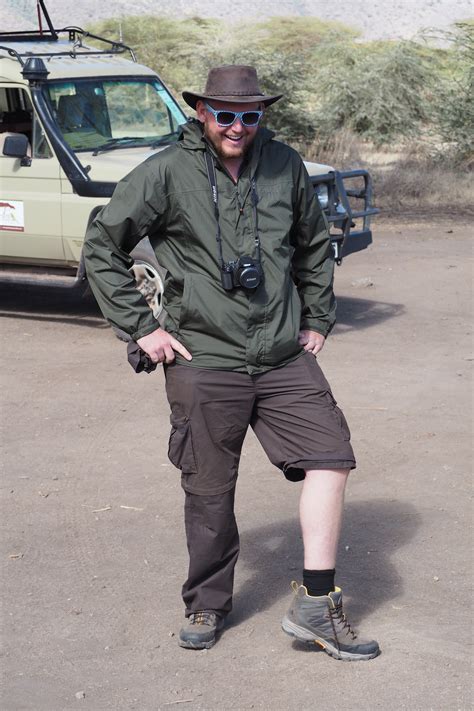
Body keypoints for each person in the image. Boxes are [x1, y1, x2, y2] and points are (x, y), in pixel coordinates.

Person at [84, 65, 380, 661]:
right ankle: (208, 602)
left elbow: (314, 242)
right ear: (201, 112)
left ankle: (316, 605)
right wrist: (143, 329)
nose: (237, 126)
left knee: (331, 459)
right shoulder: (167, 171)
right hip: (204, 354)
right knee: (211, 488)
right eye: (225, 114)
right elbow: (101, 244)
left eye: (250, 115)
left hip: (279, 353)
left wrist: (317, 315)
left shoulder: (284, 164)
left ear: (261, 117)